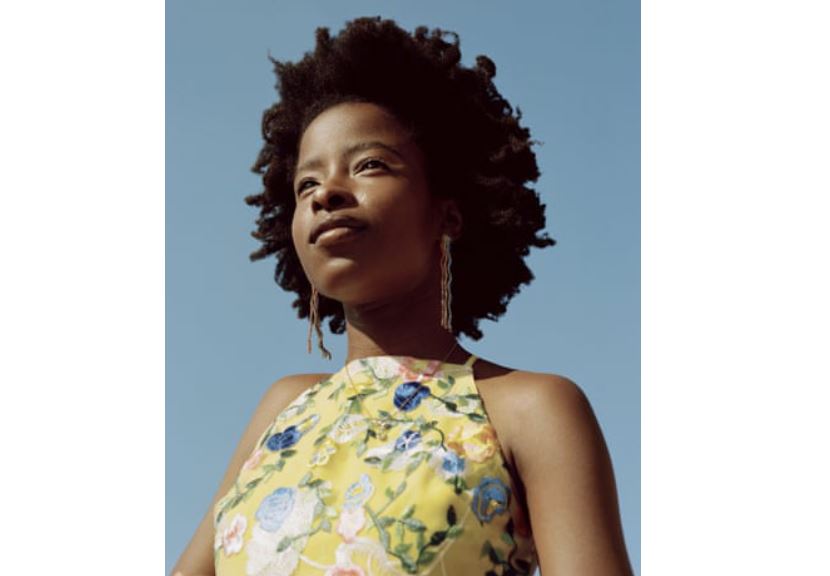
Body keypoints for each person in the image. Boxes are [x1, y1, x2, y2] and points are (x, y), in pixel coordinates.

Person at [172, 17, 633, 576]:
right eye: (306, 184)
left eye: (369, 165)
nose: (326, 193)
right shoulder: (283, 406)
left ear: (448, 214)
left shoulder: (532, 409)